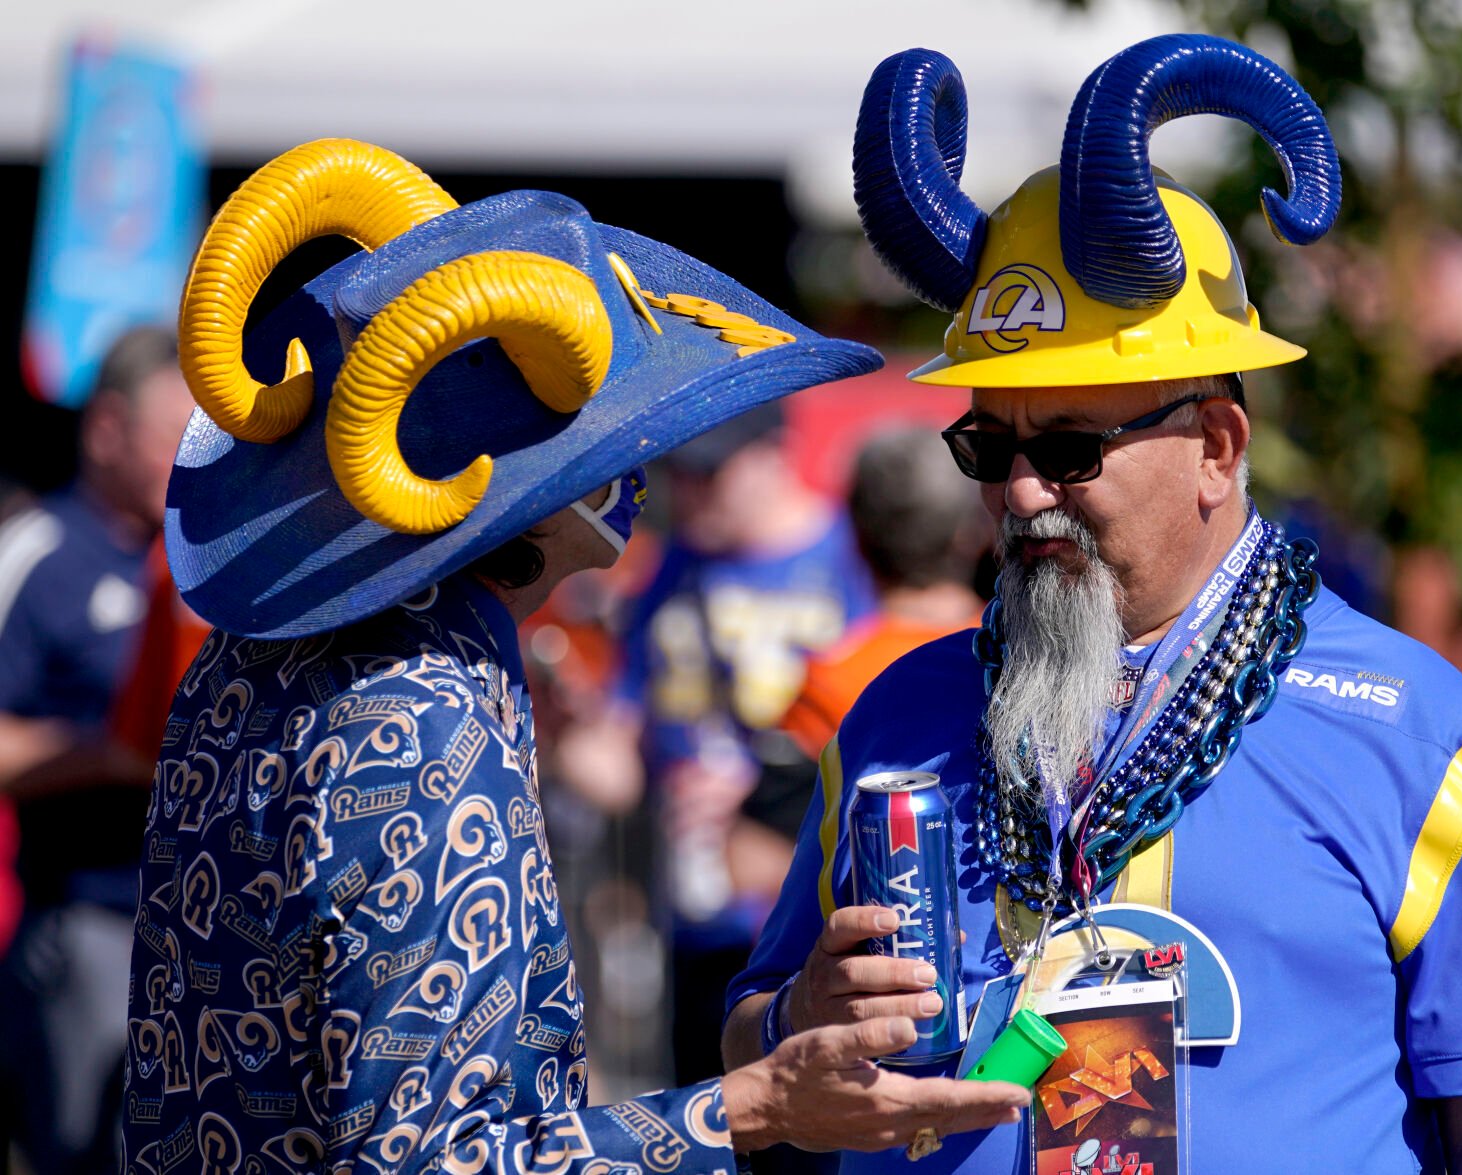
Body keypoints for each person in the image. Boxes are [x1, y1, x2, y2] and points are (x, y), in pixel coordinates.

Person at [725, 37, 1462, 1173]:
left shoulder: (1424, 734)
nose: (1020, 490)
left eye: (1072, 446)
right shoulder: (896, 714)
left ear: (1215, 447)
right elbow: (745, 1038)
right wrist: (796, 1015)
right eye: (988, 443)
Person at [123, 138, 1028, 1173]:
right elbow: (434, 1161)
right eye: (608, 443)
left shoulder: (254, 659)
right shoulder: (423, 710)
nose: (640, 467)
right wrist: (756, 1103)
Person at [615, 400, 876, 1084]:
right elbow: (617, 754)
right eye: (678, 472)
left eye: (709, 471)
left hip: (807, 930)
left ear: (774, 453)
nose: (687, 492)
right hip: (695, 923)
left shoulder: (855, 559)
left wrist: (764, 797)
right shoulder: (670, 568)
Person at [0, 324, 188, 1175]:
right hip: (89, 926)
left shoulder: (191, 561)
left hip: (196, 933)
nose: (190, 460)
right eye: (171, 436)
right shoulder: (38, 554)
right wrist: (103, 753)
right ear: (107, 428)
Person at [774, 426, 986, 759]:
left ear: (856, 537)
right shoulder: (1016, 654)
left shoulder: (829, 682)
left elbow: (787, 805)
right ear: (971, 535)